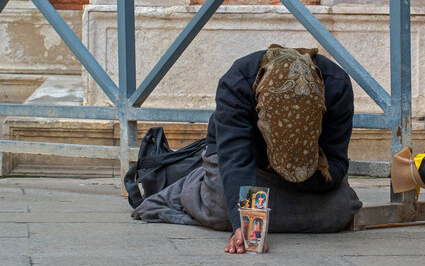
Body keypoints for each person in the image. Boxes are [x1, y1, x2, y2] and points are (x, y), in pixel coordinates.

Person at [131, 44, 362, 253]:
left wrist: (307, 179)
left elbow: (336, 160)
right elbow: (235, 159)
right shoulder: (238, 81)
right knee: (223, 209)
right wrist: (242, 224)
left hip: (309, 173)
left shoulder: (337, 85)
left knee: (340, 212)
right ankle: (192, 185)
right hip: (247, 163)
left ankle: (240, 197)